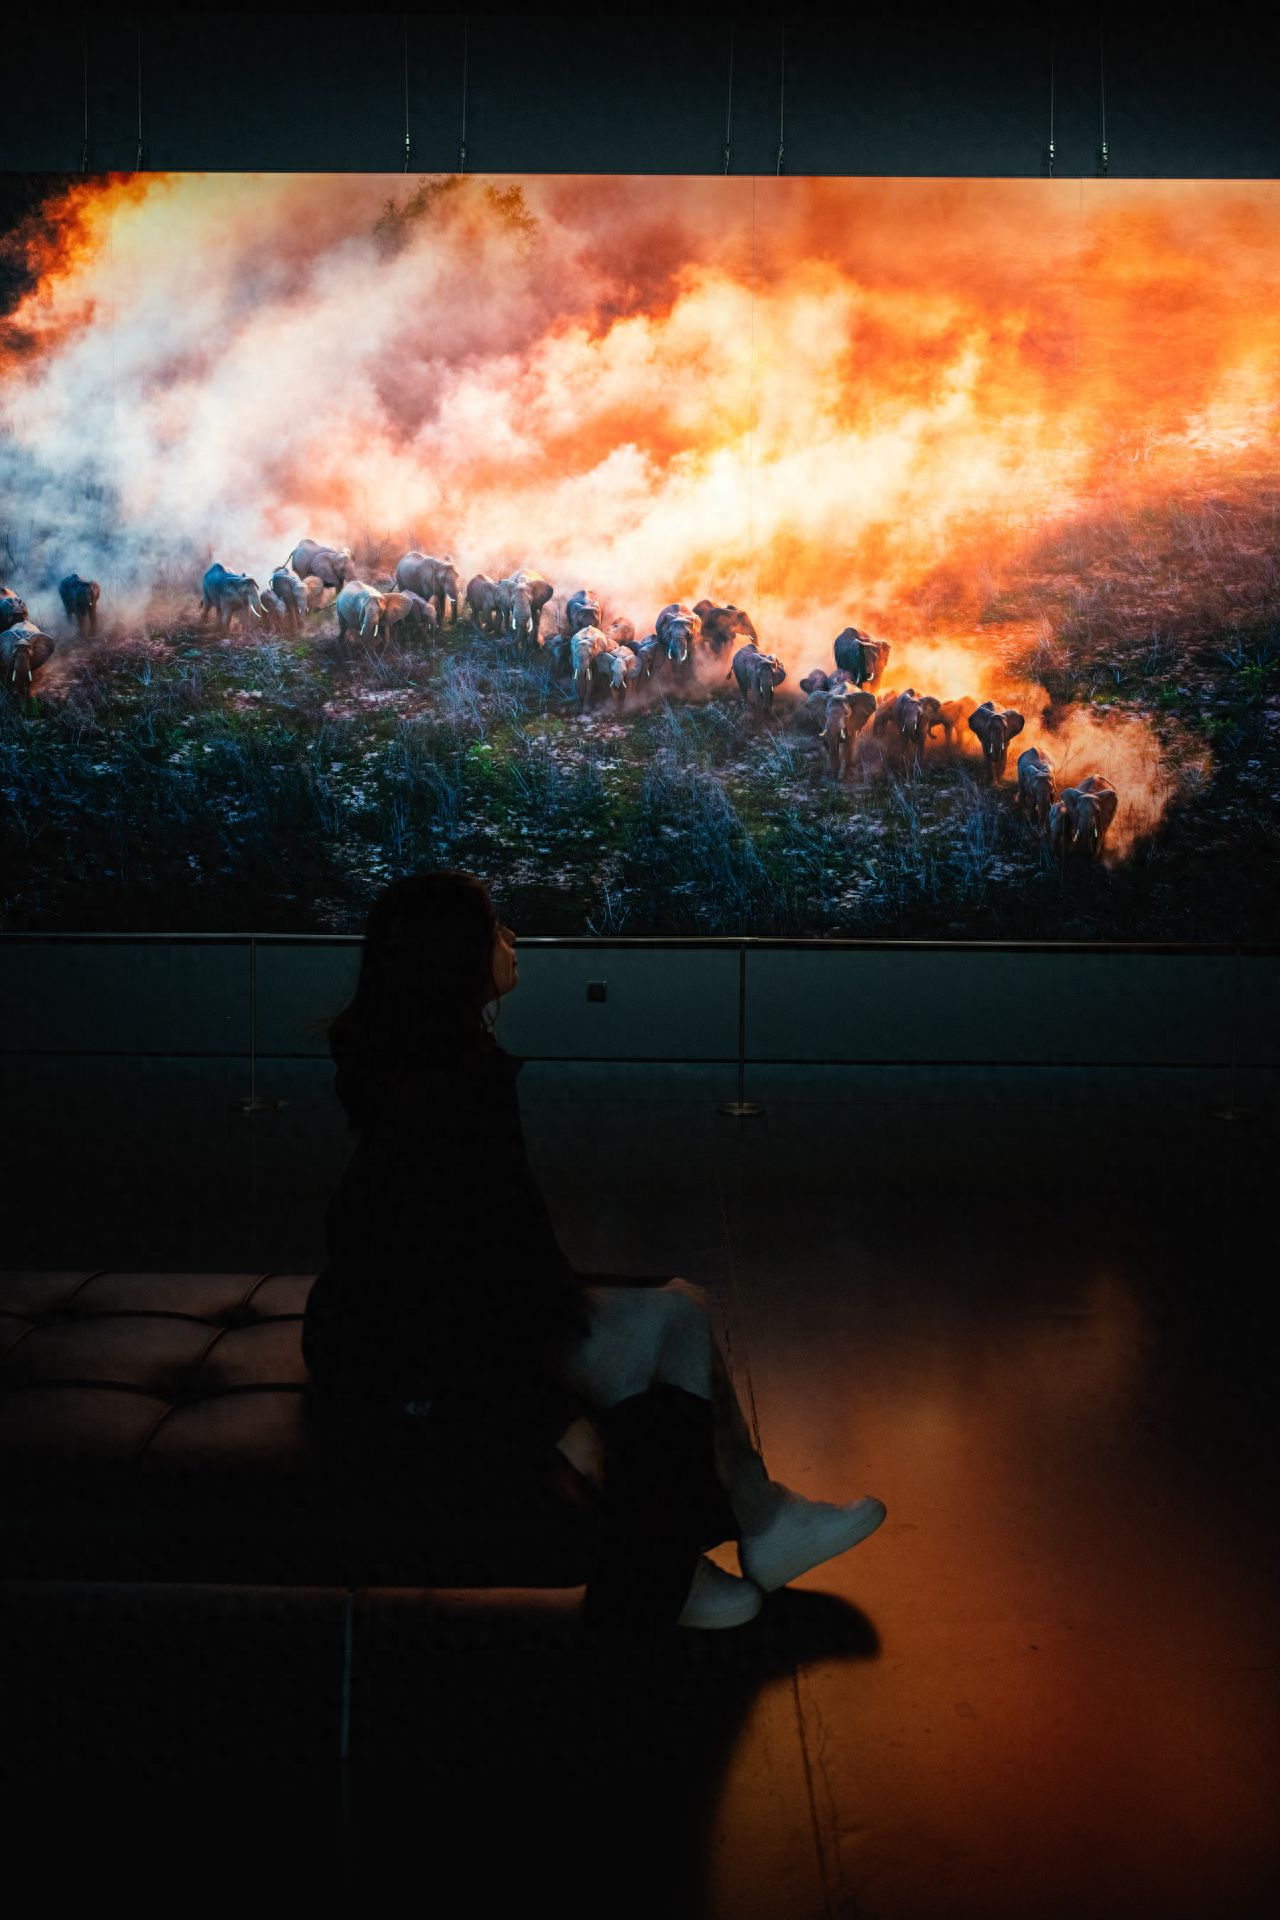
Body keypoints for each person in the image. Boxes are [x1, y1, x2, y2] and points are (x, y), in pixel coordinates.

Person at [301, 870, 886, 1630]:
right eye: (496, 929)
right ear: (455, 958)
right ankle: (682, 1566)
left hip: (420, 1322)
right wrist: (543, 1415)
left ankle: (757, 1527)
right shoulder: (448, 1095)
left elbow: (494, 1258)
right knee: (665, 1332)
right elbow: (440, 1291)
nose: (511, 942)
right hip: (402, 1358)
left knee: (678, 1309)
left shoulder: (437, 1068)